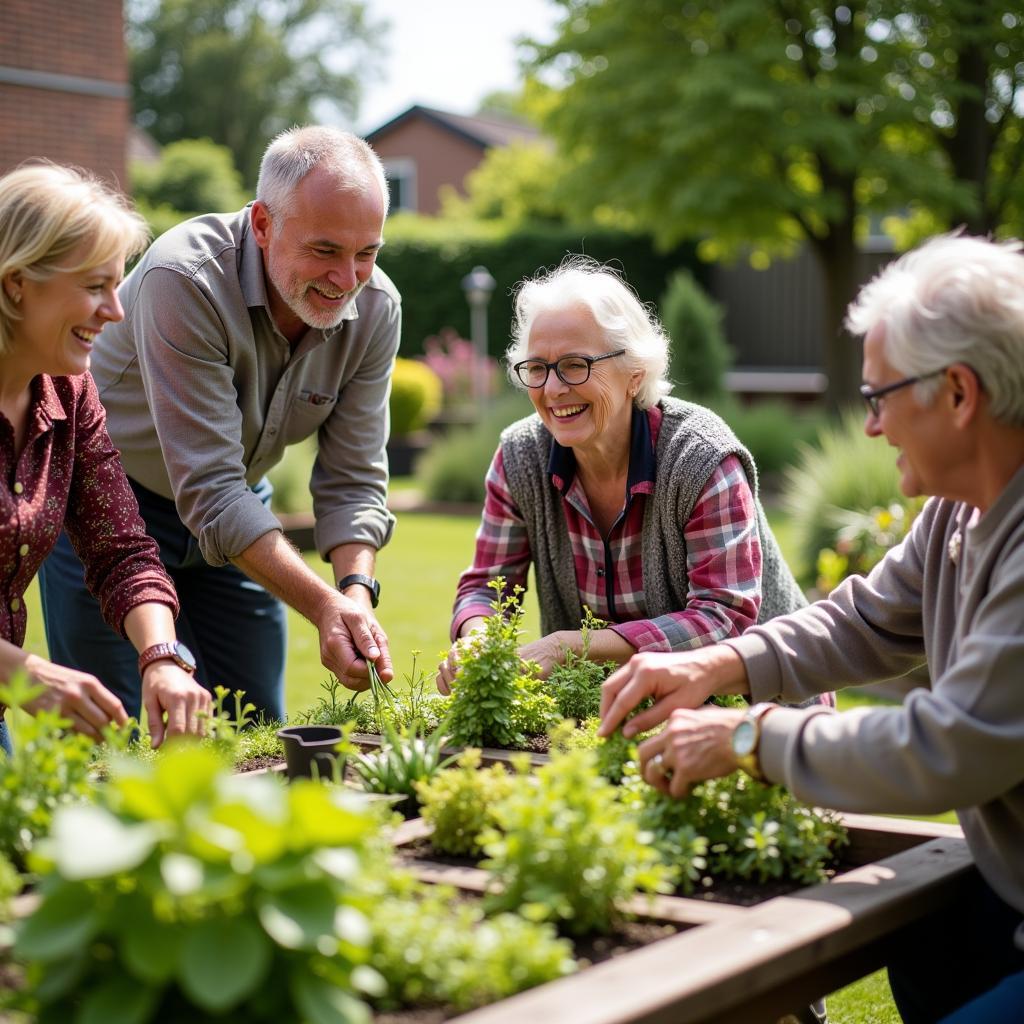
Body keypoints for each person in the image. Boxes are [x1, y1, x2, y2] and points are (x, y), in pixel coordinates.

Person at [599, 234, 1024, 1024]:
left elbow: (950, 745)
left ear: (959, 394)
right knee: (927, 938)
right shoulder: (959, 514)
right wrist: (717, 666)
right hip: (1008, 891)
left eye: (879, 397)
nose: (870, 427)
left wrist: (748, 740)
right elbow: (861, 618)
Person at [39, 127, 401, 725]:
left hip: (240, 515)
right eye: (325, 250)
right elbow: (209, 488)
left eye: (367, 252)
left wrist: (355, 599)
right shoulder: (184, 280)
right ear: (262, 223)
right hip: (110, 513)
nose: (348, 278)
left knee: (257, 728)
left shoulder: (375, 308)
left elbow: (355, 478)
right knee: (117, 738)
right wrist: (323, 606)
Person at [437, 258, 818, 695]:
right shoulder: (520, 456)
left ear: (634, 374)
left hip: (762, 709)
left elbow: (723, 619)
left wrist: (571, 647)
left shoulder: (701, 459)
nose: (553, 389)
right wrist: (478, 639)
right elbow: (487, 584)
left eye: (576, 364)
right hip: (616, 711)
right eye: (538, 367)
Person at [0, 163, 212, 754]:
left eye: (117, 285)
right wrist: (25, 672)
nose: (115, 311)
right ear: (18, 281)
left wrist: (161, 657)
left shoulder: (69, 392)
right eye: (96, 287)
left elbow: (120, 548)